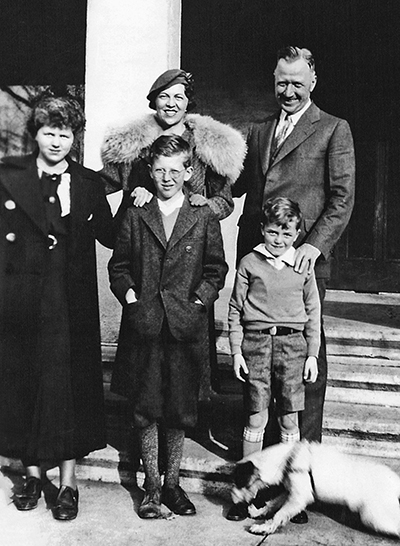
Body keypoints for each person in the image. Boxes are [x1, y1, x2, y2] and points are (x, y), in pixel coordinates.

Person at [233, 46, 355, 444]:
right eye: (281, 82)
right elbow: (229, 183)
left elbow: (342, 198)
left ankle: (301, 465)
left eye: (297, 83)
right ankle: (259, 466)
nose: (288, 91)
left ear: (313, 83)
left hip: (302, 265)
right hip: (258, 264)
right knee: (258, 360)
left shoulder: (334, 128)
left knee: (305, 362)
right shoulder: (258, 130)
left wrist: (314, 246)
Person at [0, 95, 114, 520]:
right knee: (23, 380)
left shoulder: (86, 183)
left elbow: (110, 234)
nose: (57, 141)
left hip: (71, 302)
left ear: (74, 137)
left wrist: (140, 193)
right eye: (49, 132)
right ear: (36, 133)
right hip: (21, 301)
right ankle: (31, 474)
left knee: (69, 388)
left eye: (65, 134)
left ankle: (67, 485)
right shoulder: (9, 178)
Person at [101, 68, 246, 394]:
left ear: (187, 102)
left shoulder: (207, 145)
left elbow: (225, 202)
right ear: (154, 101)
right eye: (164, 96)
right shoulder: (134, 143)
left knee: (188, 363)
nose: (171, 103)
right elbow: (102, 184)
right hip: (146, 261)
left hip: (189, 261)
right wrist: (125, 203)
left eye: (178, 96)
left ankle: (187, 422)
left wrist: (201, 207)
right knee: (144, 362)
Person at [108, 135, 227, 519]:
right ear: (150, 170)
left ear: (189, 172)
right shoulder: (137, 211)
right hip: (144, 325)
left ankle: (173, 484)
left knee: (179, 407)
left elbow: (215, 269)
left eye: (175, 170)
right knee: (145, 407)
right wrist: (132, 301)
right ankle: (151, 489)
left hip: (184, 327)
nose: (167, 177)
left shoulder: (202, 214)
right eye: (159, 170)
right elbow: (120, 266)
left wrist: (197, 303)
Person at [226, 197, 320, 521]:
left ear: (296, 234)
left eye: (286, 234)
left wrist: (311, 354)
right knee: (255, 420)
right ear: (263, 230)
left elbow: (313, 313)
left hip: (292, 347)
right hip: (256, 345)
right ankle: (245, 494)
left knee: (289, 422)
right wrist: (236, 350)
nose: (279, 241)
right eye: (272, 233)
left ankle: (290, 495)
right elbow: (235, 309)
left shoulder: (302, 266)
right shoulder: (250, 263)